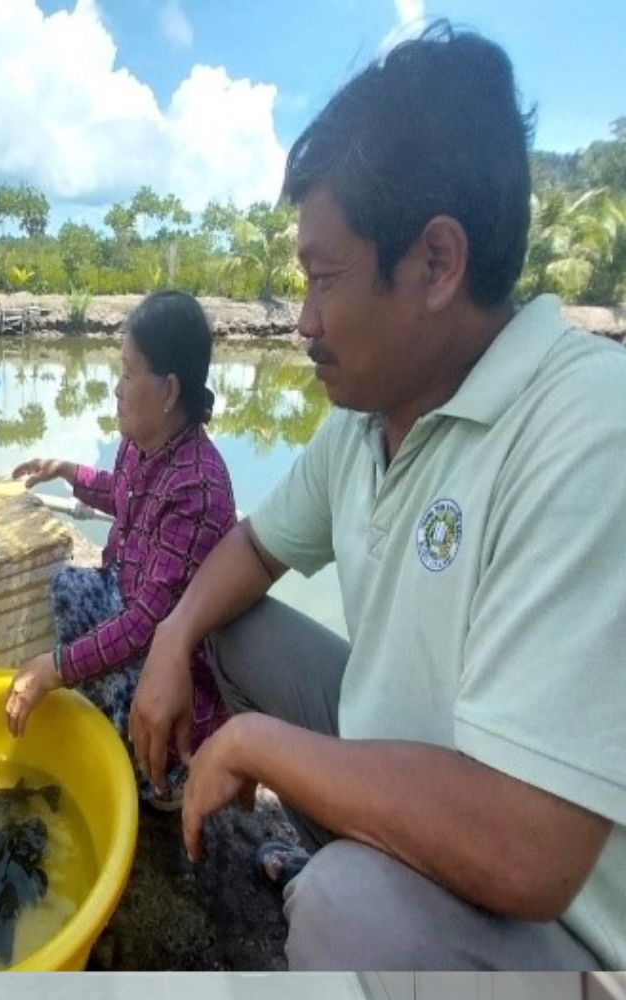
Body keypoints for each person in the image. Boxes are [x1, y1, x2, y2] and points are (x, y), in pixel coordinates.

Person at [129, 23, 625, 971]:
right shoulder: (367, 416)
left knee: (347, 913)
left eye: (323, 278)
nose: (304, 320)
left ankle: (357, 897)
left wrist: (260, 747)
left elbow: (532, 847)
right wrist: (171, 635)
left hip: (561, 932)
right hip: (418, 775)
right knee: (233, 624)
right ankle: (353, 863)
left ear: (436, 264)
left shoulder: (588, 431)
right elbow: (251, 550)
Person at [4, 291, 237, 808]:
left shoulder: (196, 486)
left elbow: (145, 625)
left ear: (170, 389)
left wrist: (56, 667)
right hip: (128, 597)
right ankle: (103, 729)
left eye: (129, 374)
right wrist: (67, 471)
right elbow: (123, 492)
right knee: (67, 587)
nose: (117, 388)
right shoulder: (143, 438)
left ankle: (160, 781)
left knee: (123, 678)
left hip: (171, 651)